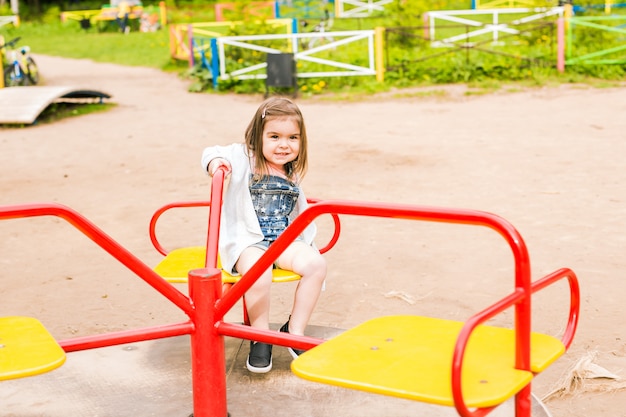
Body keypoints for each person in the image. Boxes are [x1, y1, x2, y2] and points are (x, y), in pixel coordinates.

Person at [201, 97, 327, 374]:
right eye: (274, 136)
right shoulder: (244, 157)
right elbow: (210, 151)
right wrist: (217, 163)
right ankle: (260, 336)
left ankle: (294, 330)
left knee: (316, 265)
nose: (284, 144)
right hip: (249, 241)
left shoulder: (290, 170)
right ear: (257, 137)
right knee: (259, 272)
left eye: (293, 137)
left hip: (284, 240)